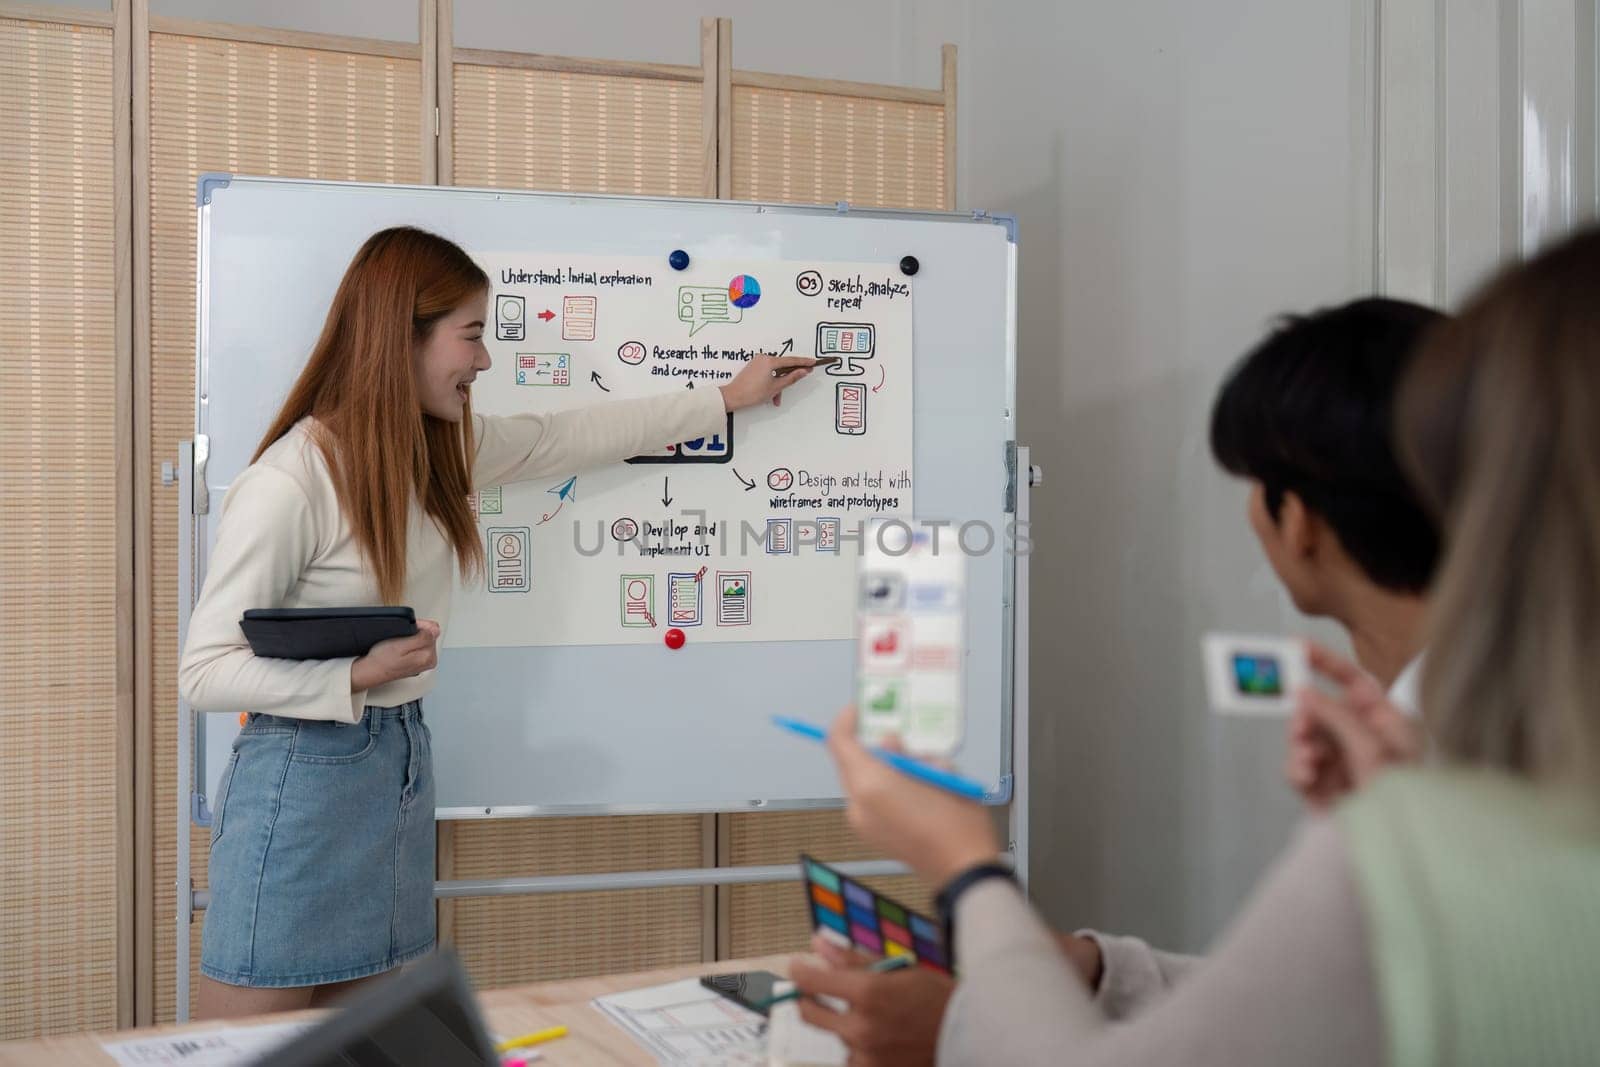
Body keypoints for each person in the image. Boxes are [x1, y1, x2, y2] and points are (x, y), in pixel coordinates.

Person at [820, 226, 1600, 1065]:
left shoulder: (1454, 820)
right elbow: (1318, 1018)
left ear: (1295, 518)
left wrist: (966, 867)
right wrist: (1096, 971)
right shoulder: (1464, 779)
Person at [179, 227, 816, 1018]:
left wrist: (722, 398)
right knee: (247, 1046)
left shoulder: (435, 450)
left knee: (367, 1041)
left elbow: (566, 437)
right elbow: (203, 670)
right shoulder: (291, 480)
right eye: (471, 336)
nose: (484, 361)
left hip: (397, 768)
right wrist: (355, 673)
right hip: (301, 779)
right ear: (398, 337)